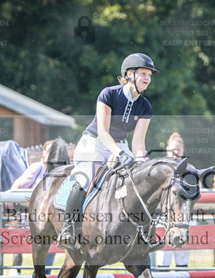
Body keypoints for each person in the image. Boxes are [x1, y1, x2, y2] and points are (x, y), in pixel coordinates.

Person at [57, 53, 158, 250]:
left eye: (149, 75)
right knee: (85, 178)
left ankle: (143, 233)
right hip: (94, 143)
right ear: (129, 74)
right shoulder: (109, 94)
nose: (147, 78)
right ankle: (68, 229)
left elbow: (138, 141)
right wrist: (119, 155)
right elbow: (103, 132)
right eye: (143, 73)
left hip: (121, 145)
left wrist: (140, 162)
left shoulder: (145, 106)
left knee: (139, 181)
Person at [9, 141, 57, 276]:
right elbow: (17, 186)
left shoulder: (58, 171)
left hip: (48, 218)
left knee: (51, 246)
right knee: (21, 244)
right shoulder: (37, 167)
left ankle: (46, 276)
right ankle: (15, 272)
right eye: (49, 151)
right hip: (28, 215)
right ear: (44, 152)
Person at [156, 133, 192, 278]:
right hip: (163, 215)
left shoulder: (189, 168)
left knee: (182, 250)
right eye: (173, 149)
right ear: (167, 149)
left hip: (182, 214)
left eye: (178, 149)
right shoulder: (160, 167)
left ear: (183, 150)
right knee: (163, 251)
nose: (175, 152)